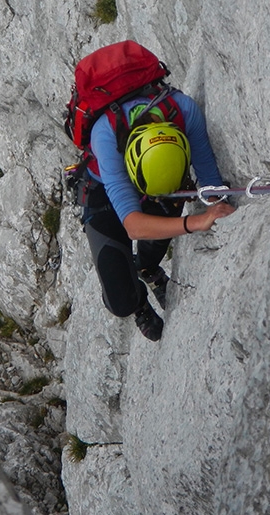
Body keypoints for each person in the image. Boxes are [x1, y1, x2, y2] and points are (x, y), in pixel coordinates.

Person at [81, 86, 236, 341]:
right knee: (120, 301)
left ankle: (148, 267)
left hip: (162, 176)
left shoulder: (184, 111)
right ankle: (138, 302)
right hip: (102, 190)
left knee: (165, 208)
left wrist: (217, 204)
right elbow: (134, 226)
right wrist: (198, 222)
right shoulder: (105, 134)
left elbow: (210, 183)